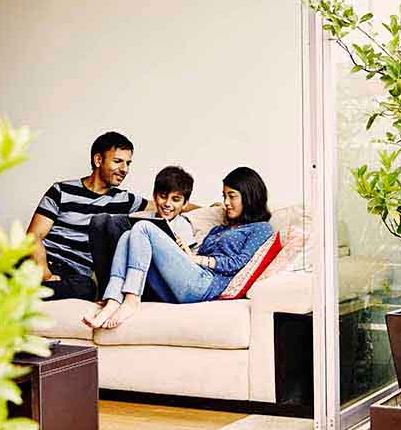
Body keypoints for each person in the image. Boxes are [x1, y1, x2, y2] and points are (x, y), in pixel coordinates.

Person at [84, 166, 274, 329]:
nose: (225, 203)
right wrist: (186, 254)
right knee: (127, 235)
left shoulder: (261, 228)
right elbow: (199, 257)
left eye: (232, 196)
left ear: (249, 197)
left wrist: (196, 259)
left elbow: (239, 263)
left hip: (205, 286)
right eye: (224, 196)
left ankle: (132, 300)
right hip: (189, 279)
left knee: (143, 227)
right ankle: (112, 300)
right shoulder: (219, 228)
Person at [26, 131, 147, 301]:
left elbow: (164, 203)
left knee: (87, 289)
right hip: (42, 264)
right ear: (98, 160)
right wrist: (45, 274)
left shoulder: (124, 199)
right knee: (2, 280)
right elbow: (33, 236)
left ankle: (8, 293)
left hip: (75, 275)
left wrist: (191, 208)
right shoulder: (61, 190)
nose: (125, 169)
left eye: (128, 163)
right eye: (118, 161)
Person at [82, 165, 197, 326]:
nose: (168, 204)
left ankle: (121, 299)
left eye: (176, 199)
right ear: (154, 196)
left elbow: (186, 268)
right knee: (100, 221)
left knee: (128, 228)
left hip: (155, 283)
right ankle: (110, 297)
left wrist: (180, 249)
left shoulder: (183, 226)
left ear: (185, 204)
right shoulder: (143, 218)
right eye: (163, 197)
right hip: (132, 276)